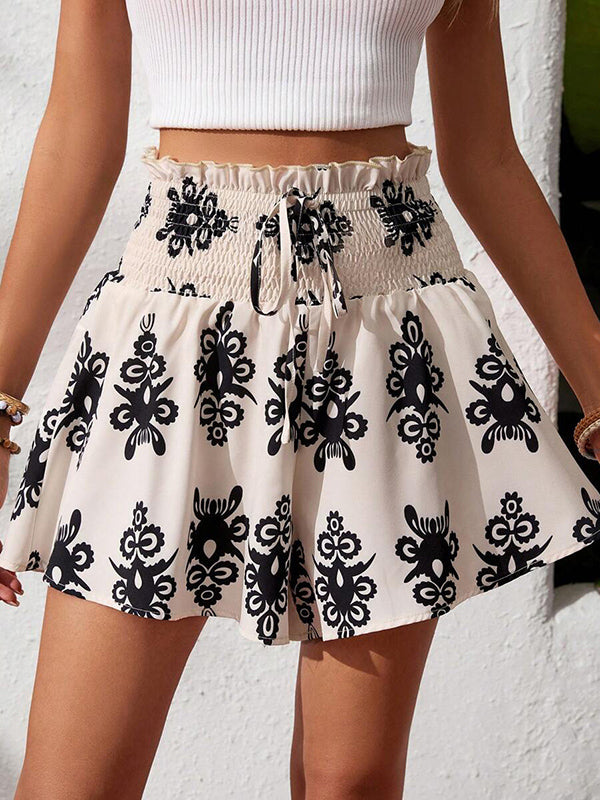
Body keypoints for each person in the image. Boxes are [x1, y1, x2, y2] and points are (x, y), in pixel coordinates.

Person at [1, 1, 600, 797]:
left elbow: (486, 156)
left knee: (346, 781)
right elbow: (78, 135)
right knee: (72, 785)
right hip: (171, 337)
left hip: (385, 329)